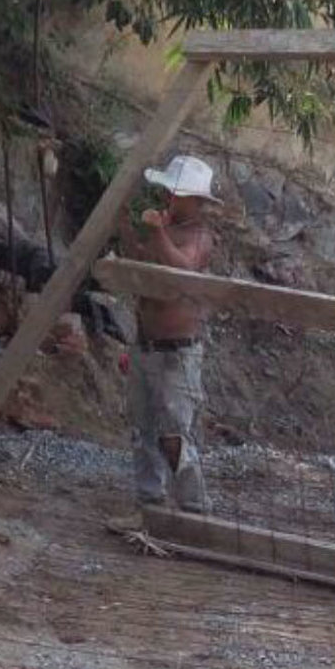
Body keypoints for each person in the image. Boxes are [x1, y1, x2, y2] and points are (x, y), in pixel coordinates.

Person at [124, 153, 220, 514]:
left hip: (176, 354)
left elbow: (183, 267)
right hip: (146, 345)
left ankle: (194, 507)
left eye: (177, 193)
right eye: (169, 191)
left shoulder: (199, 236)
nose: (169, 197)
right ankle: (150, 498)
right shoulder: (167, 228)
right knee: (142, 426)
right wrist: (126, 226)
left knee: (174, 434)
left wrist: (157, 232)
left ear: (196, 201)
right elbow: (142, 257)